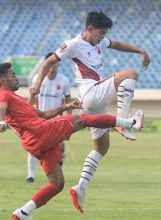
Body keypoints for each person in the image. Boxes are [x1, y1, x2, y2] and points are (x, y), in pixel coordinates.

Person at [30, 11, 150, 212]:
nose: (103, 37)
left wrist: (140, 51)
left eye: (104, 34)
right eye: (101, 33)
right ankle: (122, 122)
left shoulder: (98, 42)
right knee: (130, 75)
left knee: (102, 147)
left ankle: (81, 188)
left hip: (95, 100)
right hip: (90, 92)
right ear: (90, 29)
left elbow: (117, 44)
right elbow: (50, 61)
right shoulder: (74, 44)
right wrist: (38, 86)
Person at [0, 62, 143, 220]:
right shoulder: (4, 95)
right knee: (81, 120)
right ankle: (131, 123)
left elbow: (44, 115)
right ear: (2, 80)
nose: (15, 76)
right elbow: (1, 108)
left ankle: (24, 212)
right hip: (42, 132)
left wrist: (65, 106)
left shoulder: (15, 98)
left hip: (34, 144)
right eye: (12, 74)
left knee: (57, 184)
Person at [26, 52, 71, 183]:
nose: (53, 65)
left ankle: (58, 173)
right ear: (46, 64)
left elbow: (68, 101)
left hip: (56, 119)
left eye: (55, 62)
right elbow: (33, 97)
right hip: (39, 118)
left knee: (60, 147)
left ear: (58, 63)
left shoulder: (64, 81)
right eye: (50, 62)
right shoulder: (37, 79)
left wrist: (69, 119)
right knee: (33, 145)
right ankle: (31, 176)